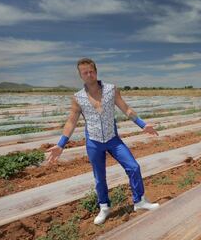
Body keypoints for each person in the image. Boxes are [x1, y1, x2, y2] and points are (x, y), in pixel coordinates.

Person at [47, 58, 160, 225]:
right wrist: (61, 144)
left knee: (133, 167)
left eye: (91, 71)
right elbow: (71, 121)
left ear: (96, 72)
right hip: (93, 142)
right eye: (85, 72)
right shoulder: (78, 98)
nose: (89, 74)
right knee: (99, 177)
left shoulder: (111, 90)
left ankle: (139, 201)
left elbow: (126, 109)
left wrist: (142, 124)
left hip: (113, 139)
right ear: (81, 76)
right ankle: (104, 207)